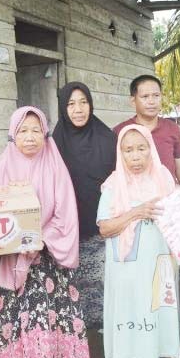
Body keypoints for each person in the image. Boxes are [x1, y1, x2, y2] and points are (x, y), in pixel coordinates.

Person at [0, 106, 91, 358]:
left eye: (36, 131)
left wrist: (41, 239)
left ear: (45, 134)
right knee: (22, 325)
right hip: (13, 261)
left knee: (62, 322)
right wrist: (13, 240)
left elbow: (66, 213)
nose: (29, 137)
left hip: (50, 259)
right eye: (23, 131)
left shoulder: (55, 166)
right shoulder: (0, 168)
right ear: (12, 134)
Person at [97, 124, 179, 358]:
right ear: (120, 153)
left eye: (141, 148)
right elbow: (105, 228)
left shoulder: (164, 179)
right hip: (126, 270)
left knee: (152, 319)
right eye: (128, 150)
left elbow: (178, 219)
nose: (135, 156)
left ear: (150, 148)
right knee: (128, 321)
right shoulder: (113, 184)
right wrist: (136, 211)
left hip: (158, 266)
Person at [52, 82, 116, 327]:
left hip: (103, 230)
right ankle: (76, 344)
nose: (78, 109)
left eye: (83, 102)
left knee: (103, 287)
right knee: (71, 292)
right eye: (71, 103)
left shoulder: (108, 138)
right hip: (67, 232)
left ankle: (105, 339)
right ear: (62, 108)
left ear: (91, 104)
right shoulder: (54, 144)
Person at [113, 74, 180, 185]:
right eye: (145, 97)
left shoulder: (172, 128)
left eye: (156, 95)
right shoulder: (121, 132)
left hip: (168, 196)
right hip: (136, 199)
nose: (151, 101)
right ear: (133, 101)